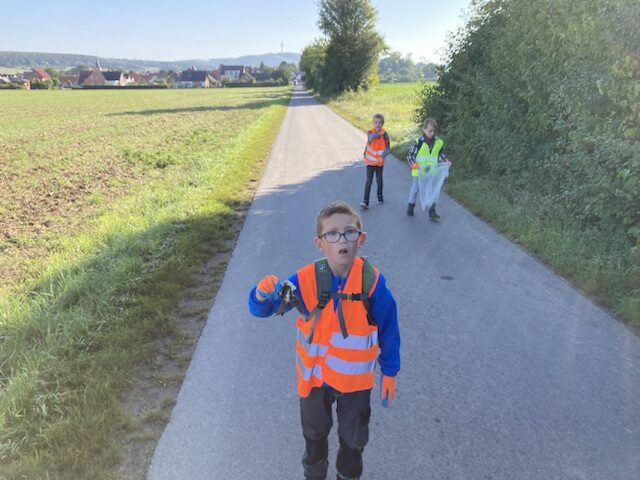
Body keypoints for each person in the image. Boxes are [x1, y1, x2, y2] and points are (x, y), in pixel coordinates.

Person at [248, 201, 401, 480]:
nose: (341, 239)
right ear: (319, 243)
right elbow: (263, 310)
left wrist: (390, 371)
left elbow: (389, 329)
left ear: (361, 239)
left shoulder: (372, 284)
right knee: (314, 439)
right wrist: (260, 293)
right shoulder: (305, 280)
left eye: (349, 232)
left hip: (355, 383)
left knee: (353, 443)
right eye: (332, 234)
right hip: (315, 381)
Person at [406, 118, 452, 220]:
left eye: (434, 131)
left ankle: (432, 212)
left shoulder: (438, 143)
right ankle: (411, 205)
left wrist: (446, 161)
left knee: (432, 192)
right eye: (430, 131)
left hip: (432, 172)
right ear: (424, 130)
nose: (432, 133)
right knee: (415, 189)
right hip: (419, 172)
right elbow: (410, 155)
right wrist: (413, 164)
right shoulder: (419, 142)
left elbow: (440, 155)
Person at [360, 114, 390, 209]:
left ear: (382, 124)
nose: (378, 124)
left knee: (379, 180)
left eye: (380, 122)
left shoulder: (385, 135)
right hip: (370, 162)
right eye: (376, 122)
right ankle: (365, 201)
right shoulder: (370, 132)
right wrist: (379, 134)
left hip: (379, 163)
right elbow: (371, 138)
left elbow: (388, 148)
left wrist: (383, 156)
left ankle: (380, 197)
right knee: (369, 181)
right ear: (373, 123)